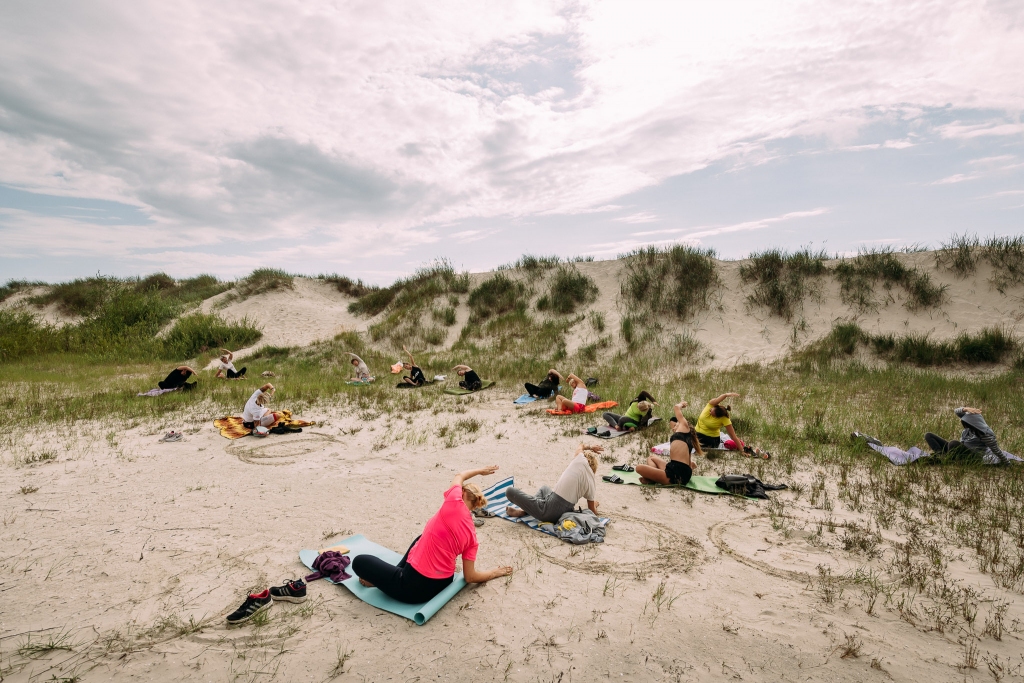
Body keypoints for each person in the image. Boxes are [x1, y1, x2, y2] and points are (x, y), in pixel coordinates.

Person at [351, 466, 513, 604]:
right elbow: (470, 577)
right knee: (421, 539)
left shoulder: (453, 501)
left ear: (462, 493)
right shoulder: (472, 536)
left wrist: (480, 471)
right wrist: (494, 572)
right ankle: (390, 575)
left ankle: (388, 578)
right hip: (441, 584)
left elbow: (460, 476)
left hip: (412, 588)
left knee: (359, 561)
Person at [506, 443, 601, 522]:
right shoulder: (592, 481)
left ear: (585, 457)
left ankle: (524, 511)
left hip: (549, 512)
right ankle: (525, 511)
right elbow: (592, 512)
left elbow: (581, 446)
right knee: (544, 489)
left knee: (509, 491)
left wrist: (591, 447)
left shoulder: (580, 459)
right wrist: (595, 505)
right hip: (566, 511)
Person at [636, 400, 703, 485]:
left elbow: (676, 407)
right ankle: (652, 478)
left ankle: (652, 479)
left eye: (676, 425)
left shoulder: (685, 428)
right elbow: (688, 461)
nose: (673, 428)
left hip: (675, 474)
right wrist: (691, 466)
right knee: (651, 457)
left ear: (683, 425)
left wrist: (681, 404)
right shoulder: (686, 438)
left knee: (639, 468)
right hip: (676, 469)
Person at [925, 406, 1008, 464]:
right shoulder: (969, 429)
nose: (965, 426)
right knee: (929, 435)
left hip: (970, 456)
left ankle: (945, 458)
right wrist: (966, 409)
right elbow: (956, 411)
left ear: (972, 424)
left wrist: (1008, 464)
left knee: (953, 443)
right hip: (958, 450)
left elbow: (996, 450)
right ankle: (941, 456)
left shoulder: (985, 434)